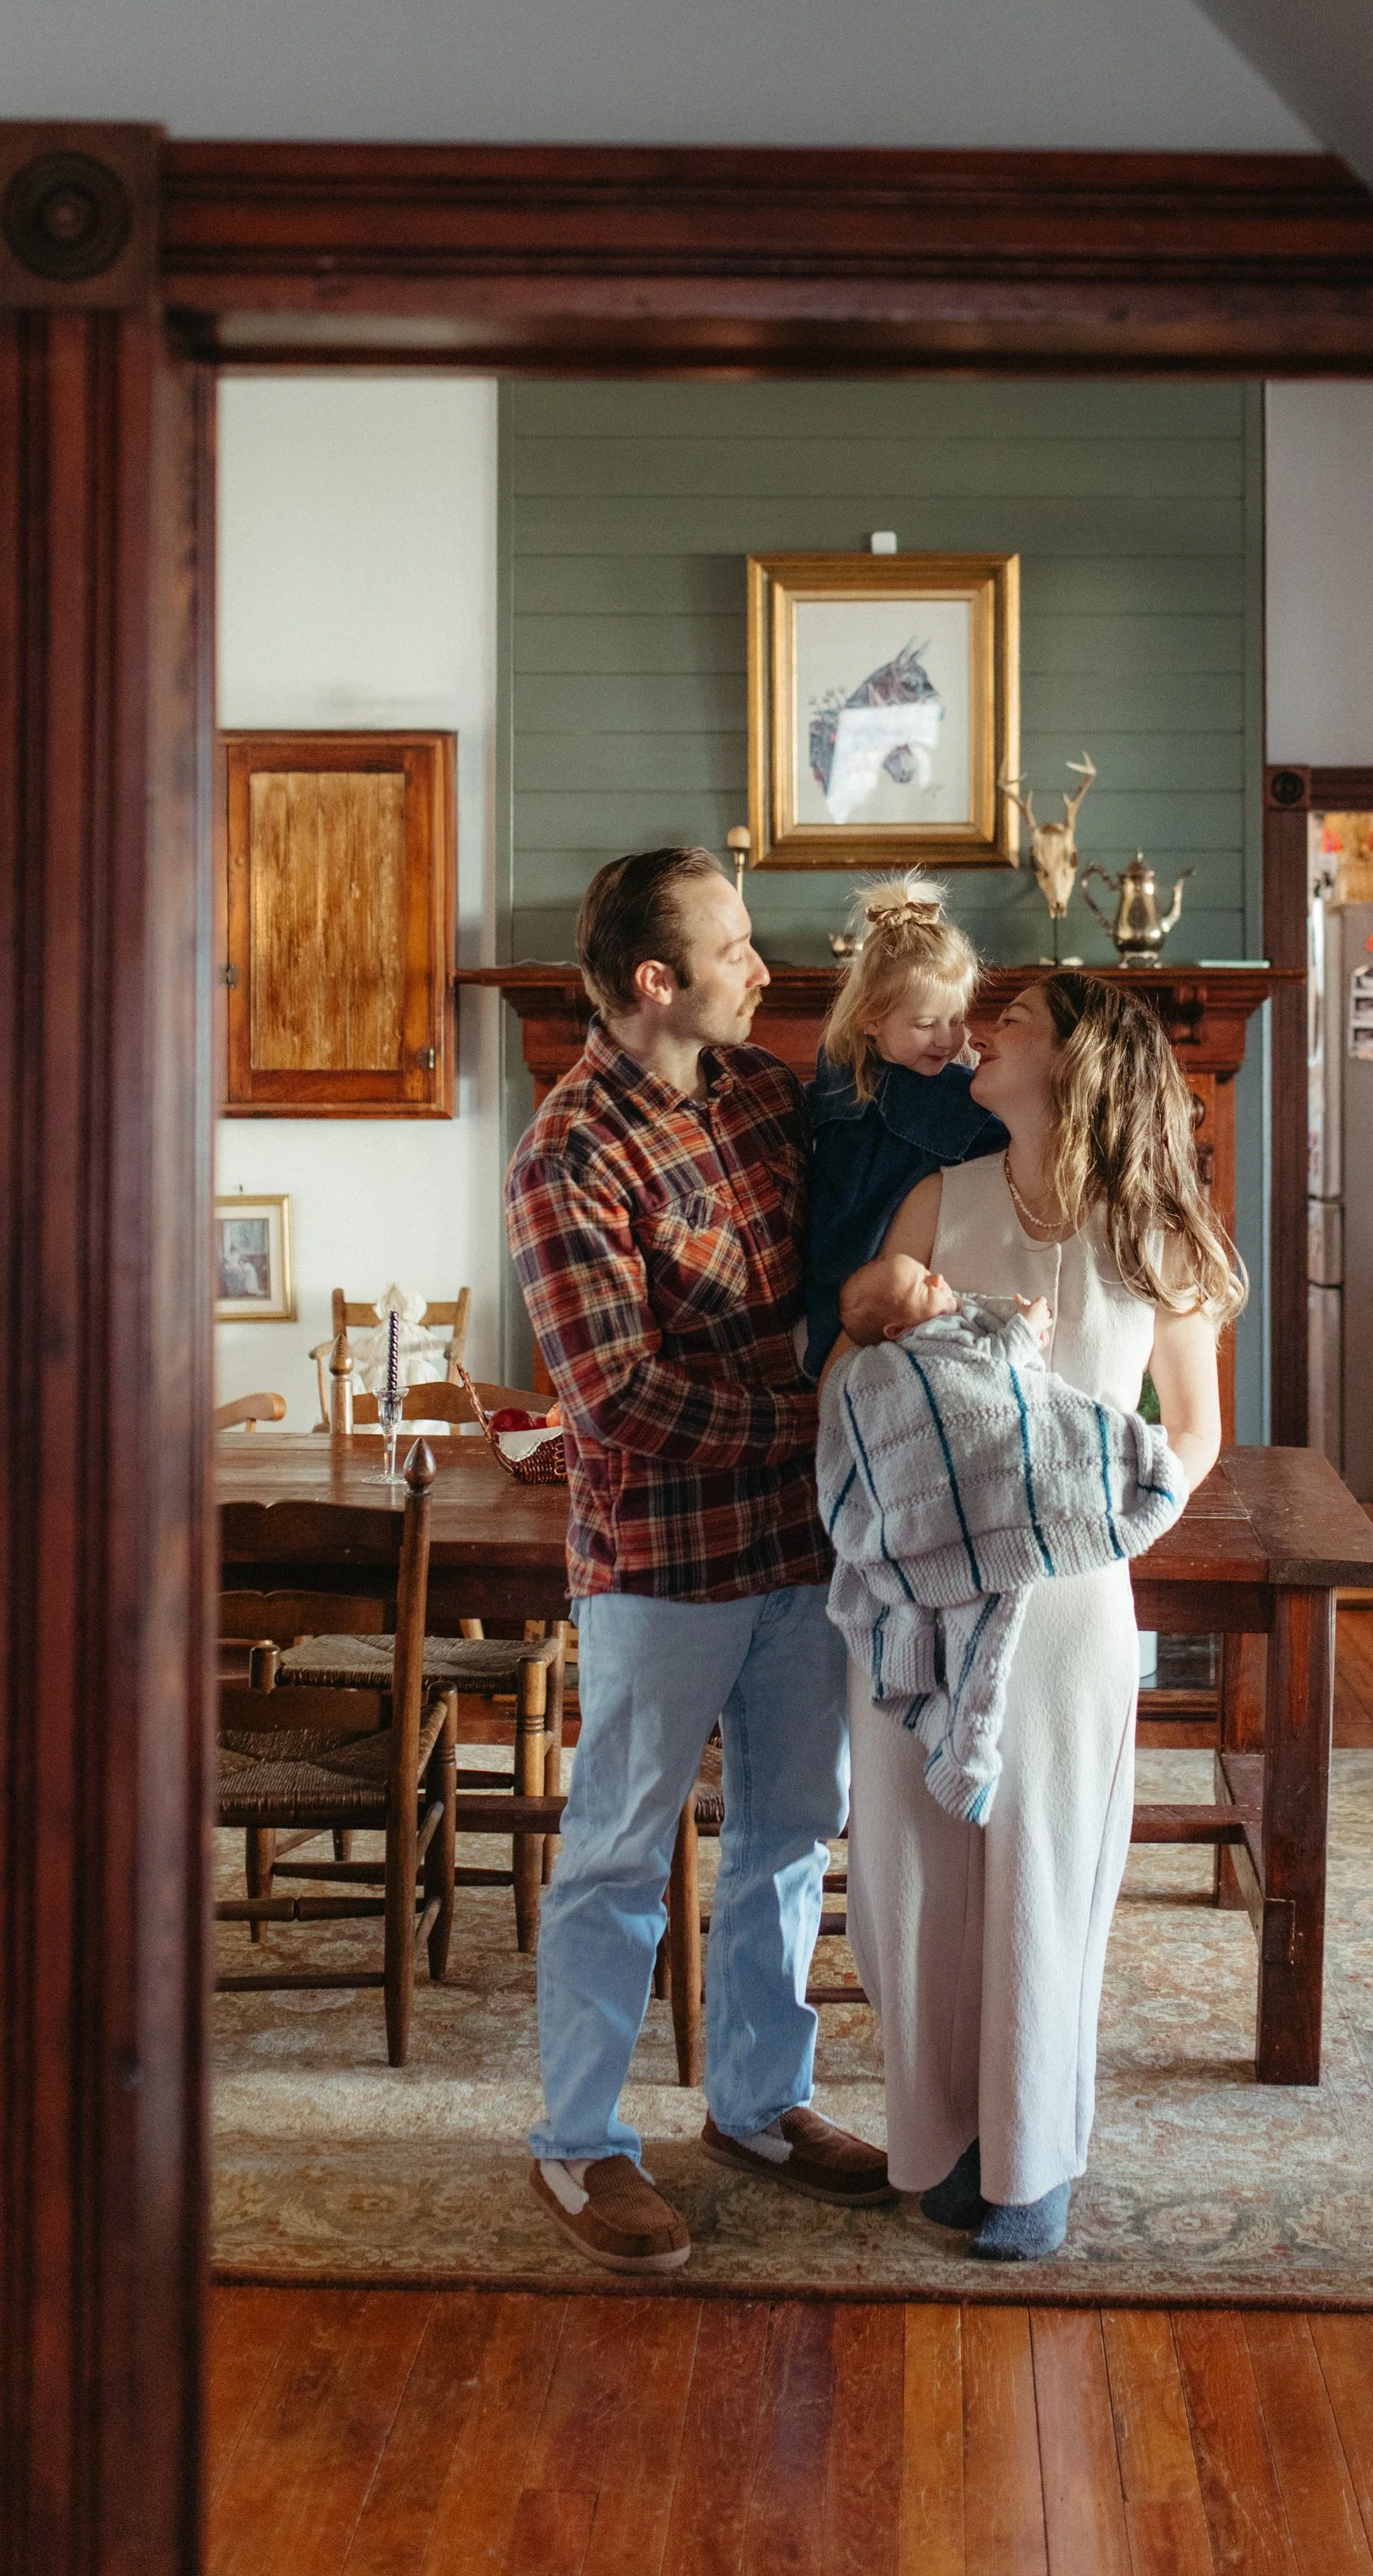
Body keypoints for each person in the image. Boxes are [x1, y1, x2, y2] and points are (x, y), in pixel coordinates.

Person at [504, 845, 893, 2275]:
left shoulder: (772, 1096)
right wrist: (820, 1409)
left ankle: (759, 2105)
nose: (764, 969)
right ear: (657, 982)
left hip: (802, 1552)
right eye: (736, 949)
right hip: (661, 1568)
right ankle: (580, 2141)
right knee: (615, 1854)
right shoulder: (567, 1155)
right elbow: (621, 1400)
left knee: (792, 1834)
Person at [831, 973, 1243, 2260]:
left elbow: (1189, 1430)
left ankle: (1032, 2163)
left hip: (1065, 1598)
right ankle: (947, 2141)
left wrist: (1086, 1525)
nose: (985, 1026)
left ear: (1079, 1055)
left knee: (1043, 1874)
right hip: (921, 1589)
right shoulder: (935, 1200)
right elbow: (859, 1377)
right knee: (911, 1874)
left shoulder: (1155, 1232)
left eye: (1015, 1014)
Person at [802, 875, 1004, 1378]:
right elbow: (1009, 1141)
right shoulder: (945, 1096)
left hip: (875, 1276)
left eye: (956, 1019)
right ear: (870, 1019)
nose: (947, 1038)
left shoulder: (839, 1068)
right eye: (925, 1024)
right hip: (864, 1274)